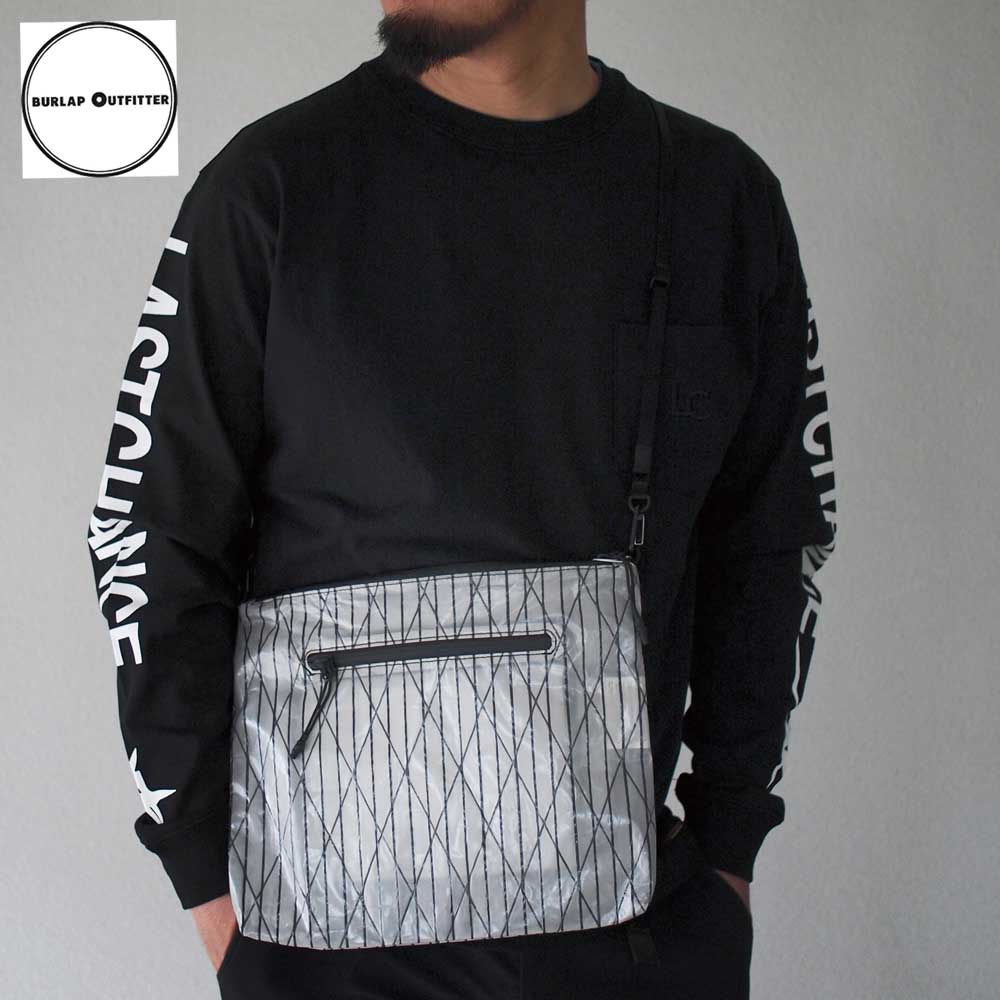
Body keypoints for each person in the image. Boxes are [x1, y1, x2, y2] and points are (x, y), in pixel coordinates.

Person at [84, 1, 838, 997]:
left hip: (637, 946)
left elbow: (772, 543)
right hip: (322, 957)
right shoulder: (268, 188)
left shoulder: (720, 199)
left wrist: (729, 850)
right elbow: (149, 535)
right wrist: (212, 895)